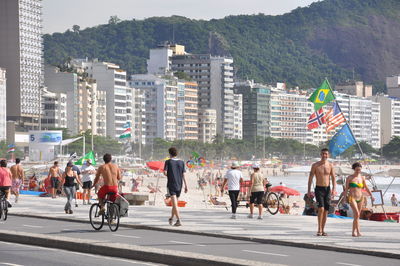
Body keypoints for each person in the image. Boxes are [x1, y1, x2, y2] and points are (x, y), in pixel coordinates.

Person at [307, 148, 336, 236]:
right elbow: (310, 178)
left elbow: (334, 178)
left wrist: (334, 189)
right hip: (319, 189)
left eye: (326, 154)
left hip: (327, 189)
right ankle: (319, 229)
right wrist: (308, 190)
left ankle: (323, 230)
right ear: (320, 154)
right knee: (321, 208)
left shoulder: (330, 165)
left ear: (328, 155)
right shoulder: (315, 165)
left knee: (326, 210)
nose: (324, 155)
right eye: (323, 154)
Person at [344, 162, 373, 237]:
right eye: (357, 170)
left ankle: (355, 231)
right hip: (352, 197)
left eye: (359, 170)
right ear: (354, 169)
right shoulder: (350, 178)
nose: (358, 171)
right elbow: (346, 189)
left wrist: (371, 195)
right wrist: (344, 199)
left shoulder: (362, 177)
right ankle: (357, 231)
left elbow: (366, 187)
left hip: (361, 198)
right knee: (356, 213)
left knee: (358, 215)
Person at [163, 147, 188, 226]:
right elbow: (183, 174)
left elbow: (165, 172)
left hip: (171, 184)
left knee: (175, 204)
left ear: (170, 153)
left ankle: (178, 220)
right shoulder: (181, 162)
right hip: (179, 185)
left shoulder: (168, 162)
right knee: (175, 203)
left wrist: (169, 174)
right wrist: (186, 185)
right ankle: (171, 218)